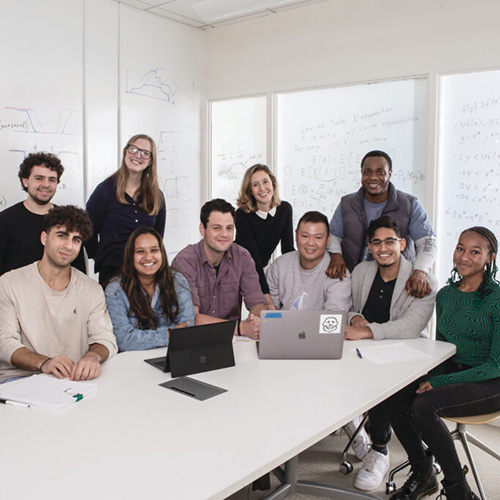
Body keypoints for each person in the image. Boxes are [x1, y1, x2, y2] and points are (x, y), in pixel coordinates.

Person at [387, 226, 500, 500]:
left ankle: (459, 491)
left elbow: (495, 365)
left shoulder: (497, 299)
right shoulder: (446, 295)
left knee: (424, 406)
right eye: (460, 248)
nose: (464, 256)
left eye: (475, 251)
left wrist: (437, 382)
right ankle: (423, 472)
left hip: (491, 381)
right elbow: (443, 349)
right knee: (394, 397)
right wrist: (428, 378)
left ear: (490, 257)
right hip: (455, 372)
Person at [266, 211, 368, 462]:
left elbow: (333, 319)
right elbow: (268, 306)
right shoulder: (281, 264)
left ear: (327, 240)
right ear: (296, 237)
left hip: (322, 345)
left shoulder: (337, 270)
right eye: (304, 236)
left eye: (318, 237)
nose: (310, 243)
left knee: (334, 374)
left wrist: (286, 324)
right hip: (283, 341)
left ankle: (352, 424)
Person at [345, 216, 437, 492]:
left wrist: (368, 331)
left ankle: (380, 449)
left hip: (403, 357)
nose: (383, 248)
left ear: (402, 244)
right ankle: (353, 425)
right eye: (376, 242)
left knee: (388, 388)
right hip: (360, 352)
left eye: (390, 241)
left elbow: (411, 327)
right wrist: (356, 317)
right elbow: (347, 306)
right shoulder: (362, 271)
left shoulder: (423, 280)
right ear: (370, 247)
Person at [0, 206, 117, 384]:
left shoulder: (92, 290)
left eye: (76, 239)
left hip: (71, 380)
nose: (68, 246)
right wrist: (44, 363)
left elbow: (105, 338)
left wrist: (93, 356)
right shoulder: (9, 283)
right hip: (20, 380)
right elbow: (4, 342)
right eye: (62, 235)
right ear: (44, 238)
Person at [326, 150, 436, 299]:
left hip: (397, 284)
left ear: (389, 174)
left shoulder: (410, 204)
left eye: (380, 172)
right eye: (367, 172)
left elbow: (428, 242)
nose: (373, 177)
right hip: (355, 282)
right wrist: (336, 256)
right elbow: (333, 236)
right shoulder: (347, 203)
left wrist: (420, 270)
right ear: (361, 173)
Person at [172, 198, 268, 339]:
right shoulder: (185, 261)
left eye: (229, 228)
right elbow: (190, 319)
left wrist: (257, 320)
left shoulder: (243, 257)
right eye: (217, 228)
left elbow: (257, 302)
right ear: (202, 229)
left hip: (233, 340)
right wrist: (240, 328)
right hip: (195, 340)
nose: (224, 234)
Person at [85, 134, 166, 288]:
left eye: (145, 153)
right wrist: (102, 255)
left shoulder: (156, 196)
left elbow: (158, 237)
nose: (137, 155)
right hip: (112, 272)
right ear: (125, 152)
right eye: (133, 149)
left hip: (146, 273)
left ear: (150, 161)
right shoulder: (105, 190)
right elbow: (87, 231)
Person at [105, 227, 195, 351]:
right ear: (130, 256)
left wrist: (142, 339)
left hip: (172, 356)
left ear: (162, 253)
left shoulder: (177, 281)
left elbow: (187, 329)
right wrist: (169, 334)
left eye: (154, 250)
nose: (148, 257)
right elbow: (124, 341)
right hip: (133, 363)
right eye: (140, 251)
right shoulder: (115, 291)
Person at [0, 152, 86, 276]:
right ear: (25, 181)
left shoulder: (69, 220)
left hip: (59, 294)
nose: (46, 184)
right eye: (39, 178)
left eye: (52, 180)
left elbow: (79, 271)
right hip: (15, 294)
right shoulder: (5, 221)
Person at [235, 164, 294, 309]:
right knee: (236, 311)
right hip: (236, 267)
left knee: (265, 310)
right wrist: (266, 294)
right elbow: (253, 258)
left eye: (265, 182)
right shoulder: (242, 215)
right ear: (250, 191)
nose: (262, 188)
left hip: (260, 267)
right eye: (255, 185)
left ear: (273, 183)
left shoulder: (285, 209)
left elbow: (288, 250)